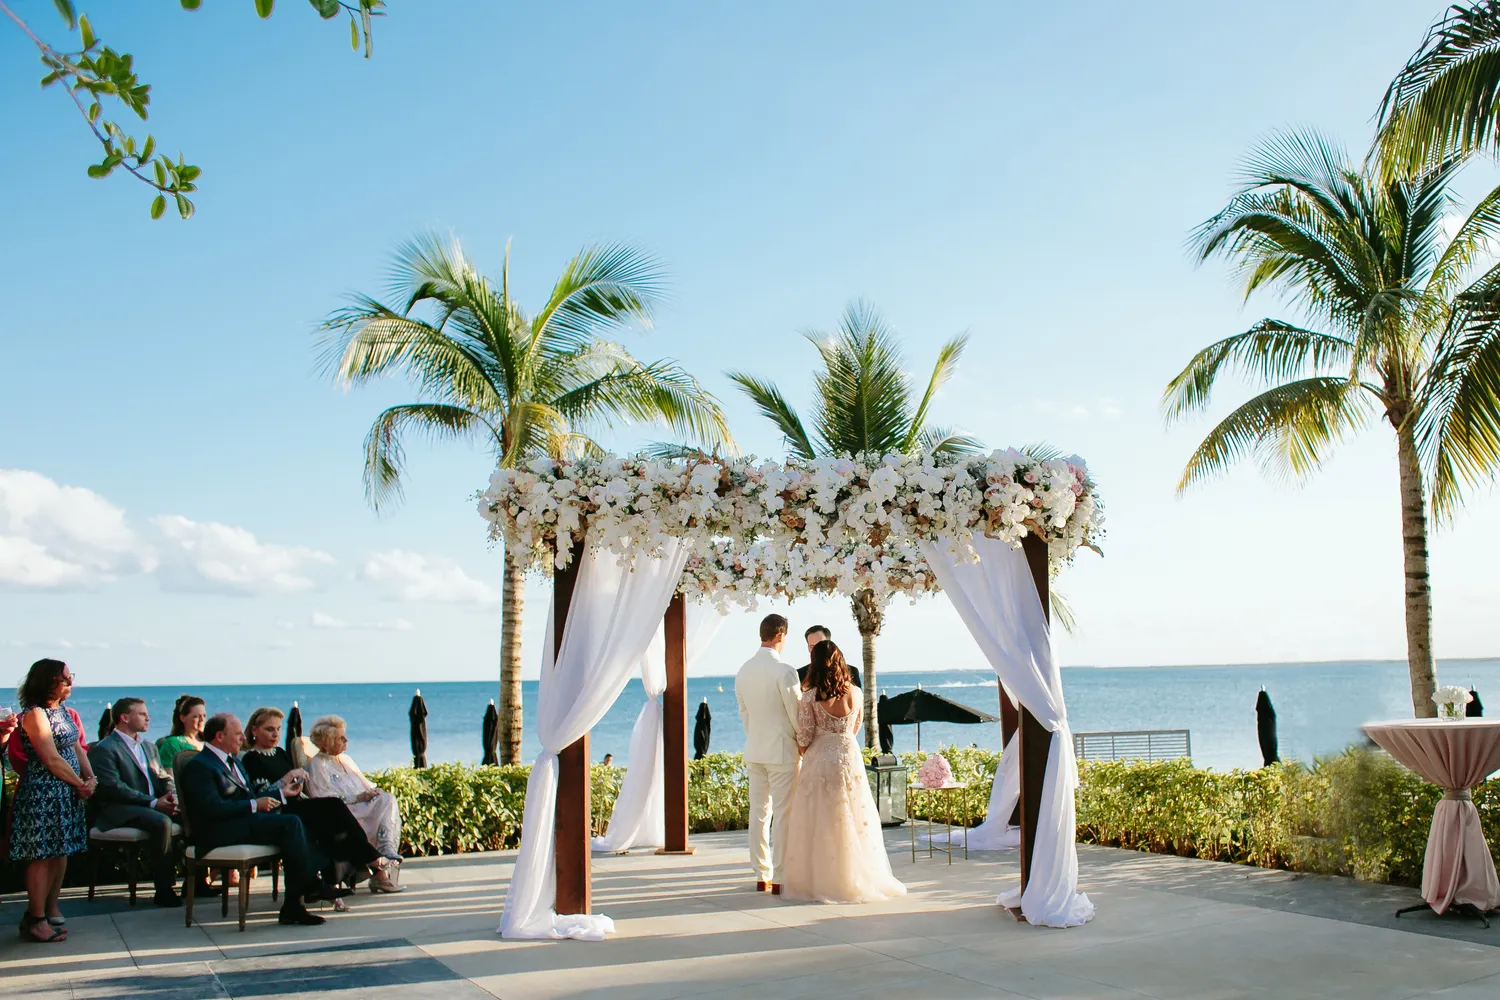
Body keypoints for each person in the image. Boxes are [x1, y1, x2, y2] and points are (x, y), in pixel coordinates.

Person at [177, 713, 346, 925]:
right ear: (219, 736)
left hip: (242, 822)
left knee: (298, 819)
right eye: (237, 734)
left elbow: (250, 797)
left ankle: (298, 900)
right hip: (217, 831)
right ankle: (309, 886)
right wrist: (255, 805)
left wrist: (283, 794)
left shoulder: (234, 763)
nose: (242, 738)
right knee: (290, 823)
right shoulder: (199, 766)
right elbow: (211, 809)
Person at [780, 640, 906, 904]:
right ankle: (856, 877)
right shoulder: (857, 693)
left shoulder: (809, 696)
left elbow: (804, 736)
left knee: (820, 819)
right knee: (854, 814)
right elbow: (855, 728)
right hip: (849, 756)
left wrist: (809, 749)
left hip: (819, 760)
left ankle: (824, 880)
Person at [241, 707, 382, 895]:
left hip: (295, 802)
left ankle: (341, 872)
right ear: (254, 731)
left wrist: (297, 784)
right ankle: (367, 858)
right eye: (269, 729)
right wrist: (286, 780)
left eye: (278, 729)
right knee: (332, 807)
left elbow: (292, 784)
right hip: (276, 810)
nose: (275, 734)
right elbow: (261, 793)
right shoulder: (251, 759)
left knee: (332, 812)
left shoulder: (281, 753)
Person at [9, 659, 94, 942]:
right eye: (65, 678)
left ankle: (49, 908)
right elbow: (50, 758)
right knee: (41, 856)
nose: (70, 683)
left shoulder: (63, 711)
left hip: (67, 790)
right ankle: (35, 919)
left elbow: (75, 747)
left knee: (61, 852)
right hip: (43, 793)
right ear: (48, 681)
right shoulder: (34, 714)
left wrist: (90, 777)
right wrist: (79, 783)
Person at [88, 697, 182, 906]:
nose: (148, 717)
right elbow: (113, 787)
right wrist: (153, 803)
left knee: (192, 813)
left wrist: (171, 795)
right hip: (120, 809)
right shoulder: (105, 748)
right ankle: (164, 890)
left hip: (150, 805)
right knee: (161, 822)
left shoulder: (149, 747)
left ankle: (199, 880)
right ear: (124, 717)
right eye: (142, 714)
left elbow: (161, 777)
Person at [734, 613, 801, 895]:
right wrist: (804, 742)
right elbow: (796, 714)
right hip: (782, 751)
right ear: (781, 636)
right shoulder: (785, 670)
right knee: (783, 814)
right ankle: (782, 876)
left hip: (755, 749)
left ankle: (762, 874)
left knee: (758, 814)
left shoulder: (743, 670)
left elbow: (744, 713)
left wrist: (756, 736)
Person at [304, 715, 404, 892]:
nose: (346, 740)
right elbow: (322, 799)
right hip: (344, 816)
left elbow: (366, 785)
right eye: (340, 738)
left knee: (388, 798)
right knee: (381, 807)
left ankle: (386, 851)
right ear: (326, 742)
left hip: (363, 809)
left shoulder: (347, 760)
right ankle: (381, 870)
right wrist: (358, 798)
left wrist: (373, 793)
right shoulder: (317, 764)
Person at [796, 625, 862, 689]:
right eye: (812, 647)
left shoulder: (851, 672)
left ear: (829, 645)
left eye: (821, 645)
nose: (816, 650)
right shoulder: (799, 674)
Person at [155, 694, 206, 770]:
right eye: (196, 716)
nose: (202, 719)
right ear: (182, 718)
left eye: (204, 716)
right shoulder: (172, 743)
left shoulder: (210, 742)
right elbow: (169, 776)